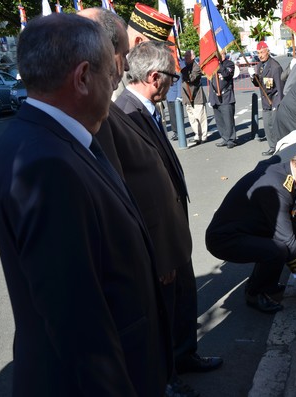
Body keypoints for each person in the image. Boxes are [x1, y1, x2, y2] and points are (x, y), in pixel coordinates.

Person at [0, 13, 172, 397]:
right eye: (111, 75)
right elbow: (76, 320)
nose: (115, 84)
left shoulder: (55, 138)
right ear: (83, 77)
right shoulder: (45, 164)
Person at [113, 40, 223, 391]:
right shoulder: (124, 114)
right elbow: (135, 195)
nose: (175, 82)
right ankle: (168, 378)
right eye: (172, 76)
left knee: (184, 301)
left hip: (174, 233)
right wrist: (159, 253)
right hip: (158, 240)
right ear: (154, 77)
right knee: (164, 312)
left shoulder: (144, 107)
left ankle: (185, 353)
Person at [205, 141, 296, 313]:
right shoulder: (278, 185)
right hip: (224, 239)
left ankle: (265, 284)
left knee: (277, 246)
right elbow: (286, 237)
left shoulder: (283, 175)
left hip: (244, 231)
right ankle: (255, 294)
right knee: (278, 249)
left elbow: (293, 219)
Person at [248, 41, 284, 155]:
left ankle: (279, 146)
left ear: (268, 51)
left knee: (275, 124)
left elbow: (280, 87)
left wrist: (278, 103)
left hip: (274, 99)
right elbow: (258, 83)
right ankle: (272, 147)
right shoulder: (260, 66)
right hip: (265, 100)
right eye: (258, 53)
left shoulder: (275, 67)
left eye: (262, 52)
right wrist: (252, 76)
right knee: (267, 125)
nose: (260, 55)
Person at [209, 51, 237, 148]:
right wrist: (210, 98)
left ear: (224, 54)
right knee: (219, 120)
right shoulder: (212, 66)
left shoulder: (229, 64)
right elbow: (211, 81)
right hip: (215, 97)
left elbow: (226, 74)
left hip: (226, 96)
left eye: (220, 54)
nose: (218, 56)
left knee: (228, 120)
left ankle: (231, 140)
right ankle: (225, 138)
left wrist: (218, 64)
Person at [181, 50, 208, 144]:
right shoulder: (185, 68)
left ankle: (203, 136)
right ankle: (197, 134)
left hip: (196, 96)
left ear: (193, 57)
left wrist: (184, 72)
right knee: (192, 118)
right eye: (185, 56)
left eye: (188, 56)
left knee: (200, 117)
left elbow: (191, 79)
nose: (185, 58)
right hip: (187, 97)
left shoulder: (196, 67)